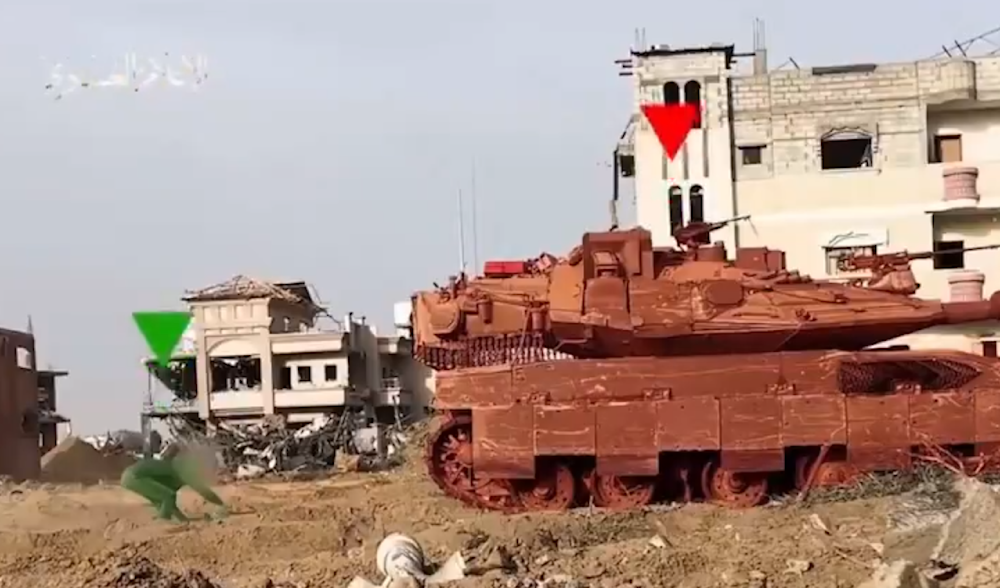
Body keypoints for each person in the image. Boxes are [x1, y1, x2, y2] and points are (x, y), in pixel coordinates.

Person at [120, 443, 228, 522]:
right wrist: (219, 503)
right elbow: (202, 489)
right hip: (135, 476)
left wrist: (182, 520)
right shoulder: (183, 469)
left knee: (162, 499)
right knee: (168, 496)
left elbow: (168, 503)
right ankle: (163, 522)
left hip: (129, 476)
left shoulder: (174, 468)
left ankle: (162, 521)